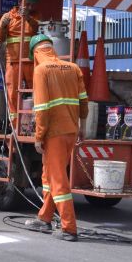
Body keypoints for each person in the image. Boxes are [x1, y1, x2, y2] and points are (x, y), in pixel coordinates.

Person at [25, 34, 89, 241]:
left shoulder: (40, 70)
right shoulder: (73, 68)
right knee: (48, 175)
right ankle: (44, 218)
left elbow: (42, 109)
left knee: (58, 179)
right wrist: (82, 126)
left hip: (54, 134)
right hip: (70, 130)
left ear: (36, 53)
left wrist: (38, 136)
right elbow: (84, 102)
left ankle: (69, 227)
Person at [0, 0, 40, 123]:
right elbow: (1, 39)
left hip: (30, 61)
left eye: (32, 4)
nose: (30, 7)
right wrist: (3, 26)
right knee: (12, 93)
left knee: (38, 91)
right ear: (20, 1)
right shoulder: (7, 17)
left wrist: (28, 18)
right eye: (28, 3)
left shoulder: (34, 17)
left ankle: (36, 123)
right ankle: (15, 126)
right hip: (13, 61)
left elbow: (36, 28)